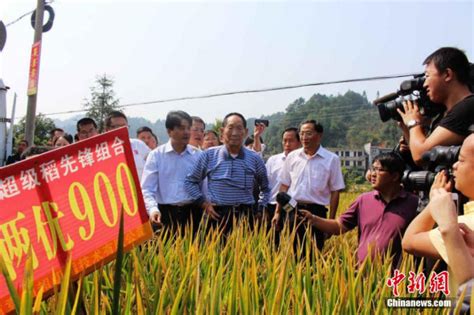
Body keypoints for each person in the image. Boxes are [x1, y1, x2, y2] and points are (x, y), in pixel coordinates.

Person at [300, 153, 418, 266]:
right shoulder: (363, 200)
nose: (373, 174)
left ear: (395, 176)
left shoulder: (413, 203)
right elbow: (339, 226)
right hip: (362, 275)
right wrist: (313, 219)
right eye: (373, 169)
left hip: (398, 279)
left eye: (380, 170)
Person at [402, 133, 474, 302]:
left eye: (461, 160)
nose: (454, 166)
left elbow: (409, 241)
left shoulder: (466, 227)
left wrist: (434, 200)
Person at [184, 112, 270, 235]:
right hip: (217, 215)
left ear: (245, 132)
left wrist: (261, 208)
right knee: (216, 254)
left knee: (245, 253)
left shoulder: (255, 158)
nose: (234, 133)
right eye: (230, 128)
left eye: (239, 128)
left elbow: (265, 188)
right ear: (222, 131)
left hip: (245, 216)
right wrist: (204, 203)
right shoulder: (209, 155)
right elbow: (190, 182)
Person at [272, 120, 345, 252]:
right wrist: (277, 213)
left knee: (314, 251)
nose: (304, 137)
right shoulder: (293, 157)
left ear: (319, 135)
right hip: (292, 208)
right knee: (290, 251)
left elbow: (335, 191)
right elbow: (284, 186)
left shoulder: (331, 159)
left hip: (317, 212)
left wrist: (330, 222)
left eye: (309, 133)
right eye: (302, 134)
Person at [398, 47, 474, 165]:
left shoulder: (467, 107)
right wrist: (407, 129)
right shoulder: (442, 115)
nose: (424, 84)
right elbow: (426, 161)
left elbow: (420, 154)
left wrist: (413, 123)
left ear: (447, 74)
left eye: (428, 76)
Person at [141, 110, 202, 234]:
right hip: (165, 214)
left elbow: (204, 186)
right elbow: (147, 188)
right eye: (181, 128)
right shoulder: (156, 156)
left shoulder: (198, 155)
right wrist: (153, 209)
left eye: (188, 128)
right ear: (169, 131)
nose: (186, 132)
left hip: (193, 214)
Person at [265, 127, 301, 226]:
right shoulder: (273, 160)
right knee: (270, 238)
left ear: (299, 142)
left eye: (291, 141)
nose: (287, 144)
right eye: (285, 141)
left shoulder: (303, 162)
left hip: (291, 207)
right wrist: (264, 206)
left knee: (290, 236)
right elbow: (264, 185)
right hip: (271, 205)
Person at [104, 111, 150, 180]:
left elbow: (154, 164)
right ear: (107, 130)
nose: (121, 129)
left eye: (124, 126)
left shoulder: (138, 145)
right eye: (117, 127)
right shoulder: (102, 153)